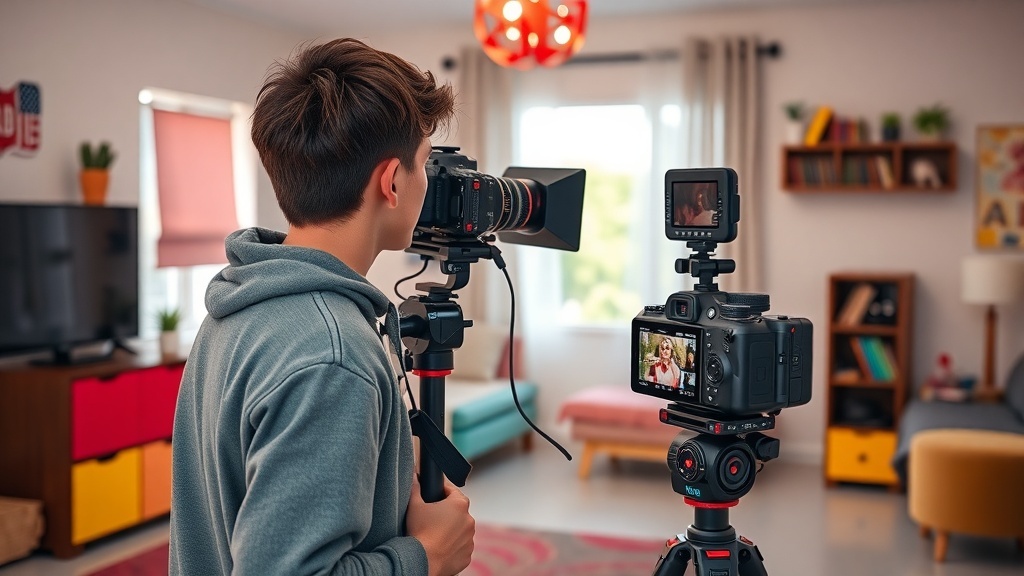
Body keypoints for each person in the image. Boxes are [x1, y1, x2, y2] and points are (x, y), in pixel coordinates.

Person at [169, 38, 474, 576]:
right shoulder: (332, 354)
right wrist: (424, 557)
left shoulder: (238, 306)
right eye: (425, 163)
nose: (430, 182)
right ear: (393, 181)